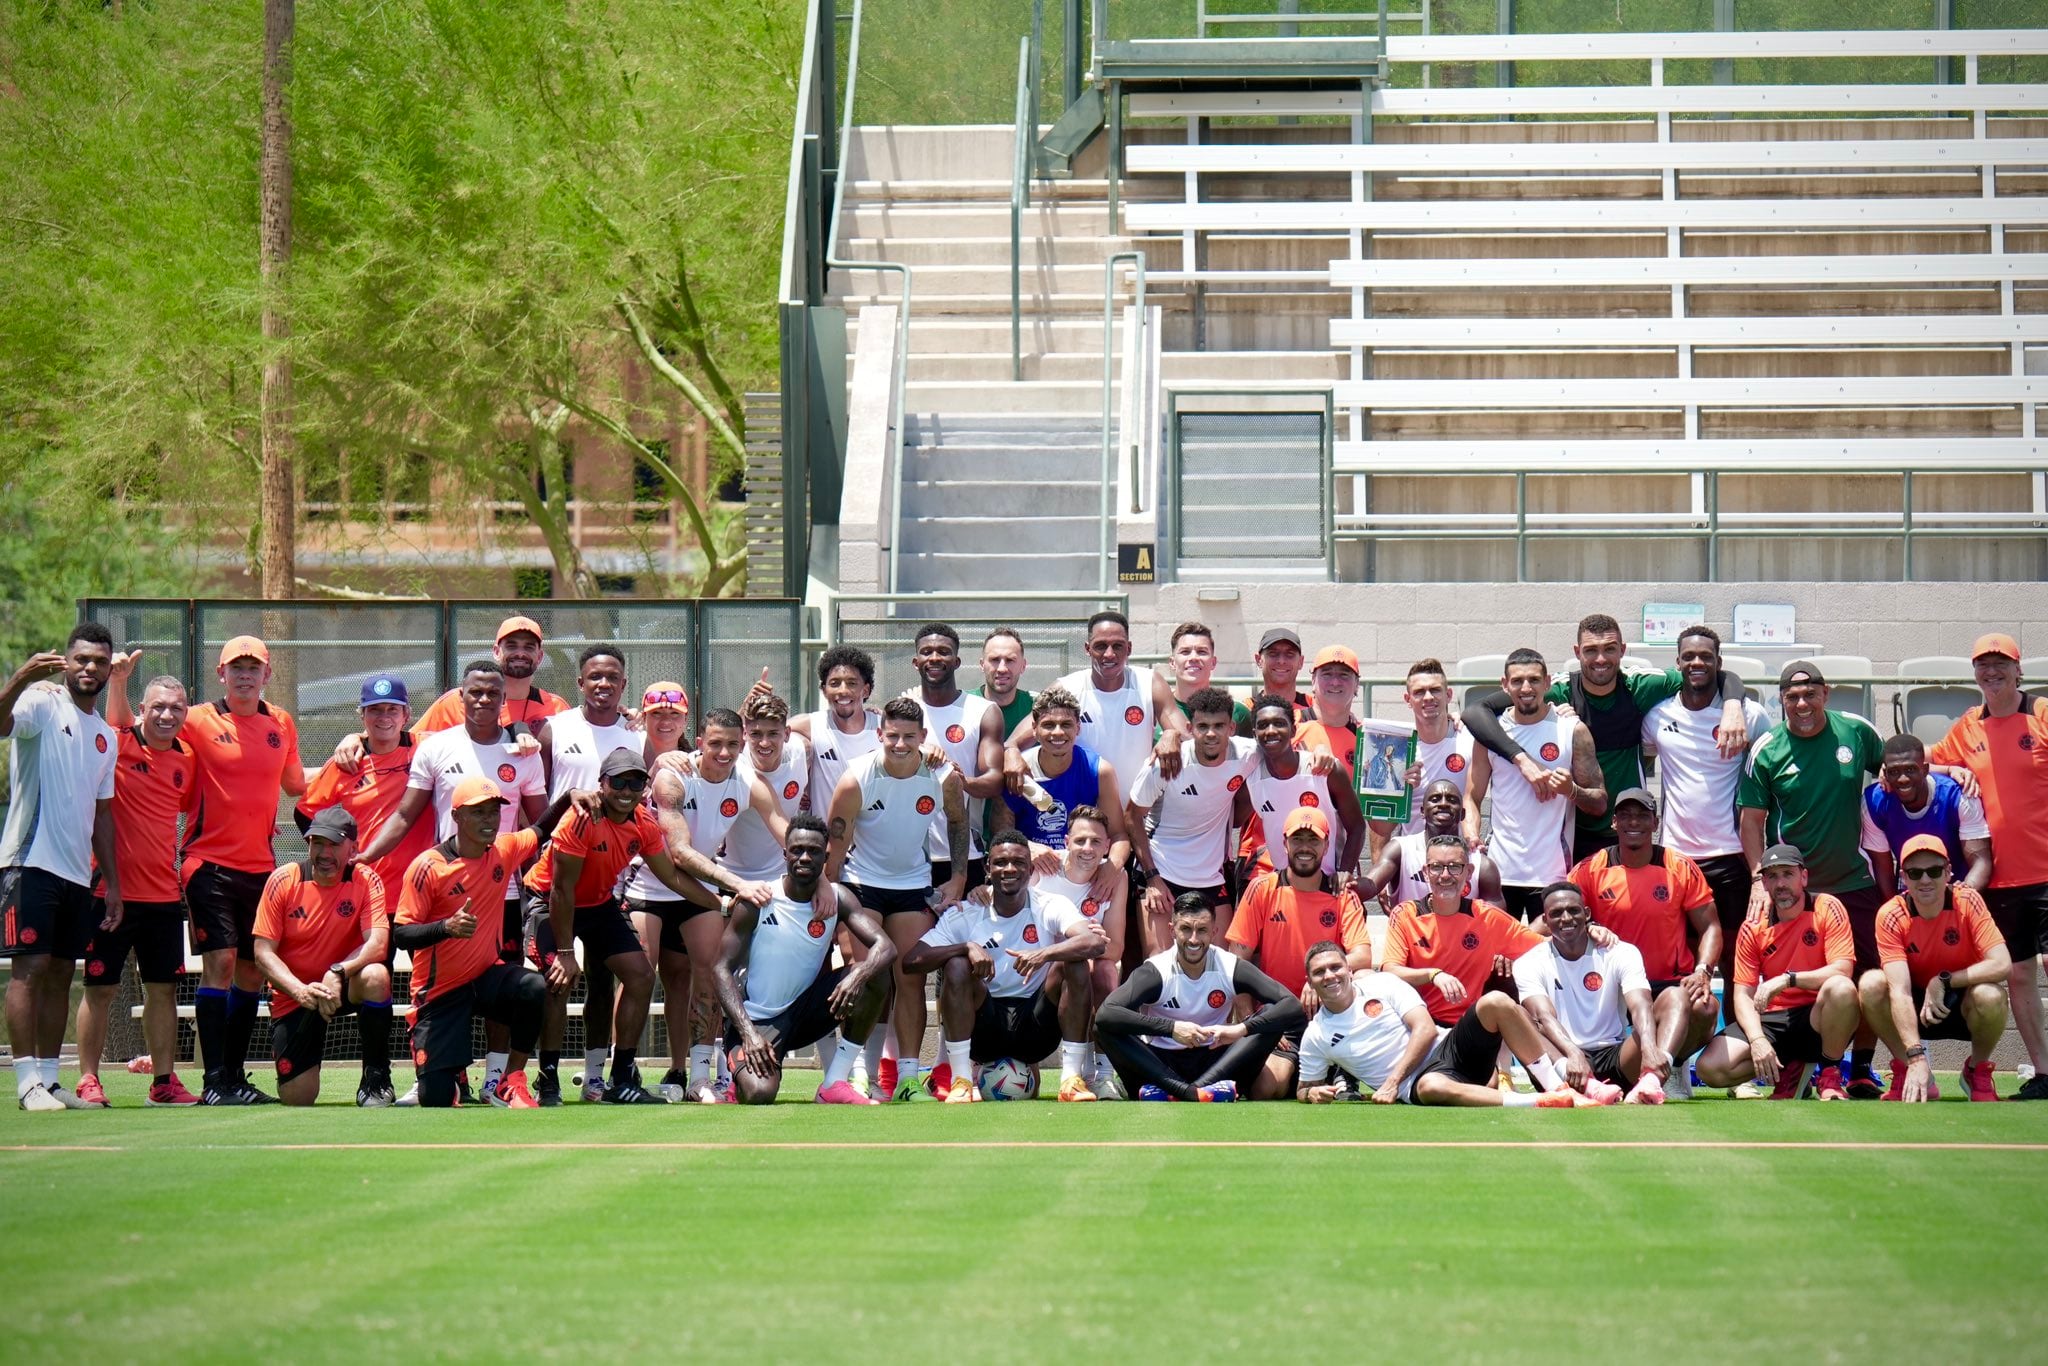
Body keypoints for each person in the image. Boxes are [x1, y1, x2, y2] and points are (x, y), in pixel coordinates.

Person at [355, 659, 547, 1102]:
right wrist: (365, 856)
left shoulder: (524, 752)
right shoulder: (436, 746)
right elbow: (405, 814)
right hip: (446, 893)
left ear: (504, 699)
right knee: (443, 982)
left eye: (492, 693)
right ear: (459, 697)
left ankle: (498, 1081)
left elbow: (540, 825)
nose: (483, 700)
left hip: (504, 891)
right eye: (475, 692)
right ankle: (446, 1070)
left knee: (511, 988)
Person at [1462, 613, 1750, 861]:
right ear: (1577, 652)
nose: (1600, 659)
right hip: (1570, 832)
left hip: (1628, 828)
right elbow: (1476, 711)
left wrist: (1733, 704)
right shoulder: (1559, 691)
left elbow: (1712, 674)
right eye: (1591, 650)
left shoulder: (1641, 686)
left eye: (1609, 649)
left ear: (1622, 650)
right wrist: (1521, 759)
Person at [523, 748, 716, 1104]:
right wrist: (566, 954)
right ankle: (547, 1077)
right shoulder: (581, 818)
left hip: (598, 903)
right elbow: (561, 890)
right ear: (602, 784)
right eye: (618, 782)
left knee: (641, 976)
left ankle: (621, 1077)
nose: (627, 790)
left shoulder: (643, 823)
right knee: (558, 981)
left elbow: (671, 875)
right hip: (550, 900)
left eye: (636, 782)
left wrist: (717, 900)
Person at [1738, 659, 1890, 1095]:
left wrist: (1948, 768)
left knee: (1863, 979)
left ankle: (1859, 1068)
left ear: (1826, 693)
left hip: (1852, 881)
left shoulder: (1856, 731)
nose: (1801, 703)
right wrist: (1758, 880)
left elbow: (1897, 765)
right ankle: (1804, 1063)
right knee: (1801, 983)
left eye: (1810, 694)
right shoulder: (1766, 748)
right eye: (1792, 696)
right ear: (1781, 700)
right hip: (1792, 890)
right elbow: (1752, 822)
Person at [174, 635, 307, 1105]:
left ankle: (233, 1077)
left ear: (267, 675)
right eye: (237, 667)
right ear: (221, 673)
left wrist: (354, 747)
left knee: (252, 973)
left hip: (261, 870)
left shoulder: (282, 723)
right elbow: (141, 734)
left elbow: (298, 787)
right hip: (207, 863)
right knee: (222, 964)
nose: (245, 674)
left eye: (254, 667)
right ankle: (213, 1081)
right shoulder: (194, 720)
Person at [628, 707, 783, 1103]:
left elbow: (786, 831)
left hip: (698, 891)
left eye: (733, 744)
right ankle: (616, 1072)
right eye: (715, 743)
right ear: (699, 743)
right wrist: (736, 885)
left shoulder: (750, 782)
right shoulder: (673, 777)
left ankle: (699, 1077)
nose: (725, 752)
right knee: (639, 975)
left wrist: (820, 881)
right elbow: (678, 851)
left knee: (710, 973)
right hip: (649, 884)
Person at [826, 696, 968, 1102]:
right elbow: (836, 846)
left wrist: (958, 877)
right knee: (865, 976)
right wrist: (834, 907)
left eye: (909, 736)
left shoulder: (942, 777)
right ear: (879, 735)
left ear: (924, 736)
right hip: (861, 885)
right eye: (893, 736)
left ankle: (907, 1079)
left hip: (911, 885)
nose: (901, 744)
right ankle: (857, 1075)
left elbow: (958, 823)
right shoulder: (857, 778)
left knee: (910, 977)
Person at [2, 625, 121, 1112]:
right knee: (28, 971)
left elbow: (103, 814)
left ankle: (50, 1080)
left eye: (98, 661)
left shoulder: (105, 737)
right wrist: (20, 676)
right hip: (29, 864)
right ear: (65, 662)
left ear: (109, 670)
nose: (89, 668)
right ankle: (25, 1079)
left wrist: (112, 881)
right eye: (81, 659)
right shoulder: (40, 701)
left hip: (76, 875)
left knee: (59, 974)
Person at [1927, 631, 2048, 1099]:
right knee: (2018, 976)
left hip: (2045, 874)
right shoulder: (1967, 725)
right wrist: (1950, 769)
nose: (1992, 672)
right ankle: (2043, 1073)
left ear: (2019, 670)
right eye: (1983, 665)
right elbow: (1920, 763)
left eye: (2001, 664)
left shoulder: (2039, 715)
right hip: (1999, 880)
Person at [74, 671, 200, 1108]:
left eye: (176, 708)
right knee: (100, 988)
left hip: (164, 897)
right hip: (109, 894)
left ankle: (164, 1084)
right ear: (142, 710)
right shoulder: (117, 743)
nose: (167, 714)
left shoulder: (187, 760)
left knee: (162, 990)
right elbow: (113, 720)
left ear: (186, 713)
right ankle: (88, 1080)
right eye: (158, 707)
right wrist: (119, 680)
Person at [904, 831, 1106, 1102]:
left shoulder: (1050, 905)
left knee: (1075, 962)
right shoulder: (966, 914)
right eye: (1000, 863)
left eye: (1019, 863)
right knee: (956, 965)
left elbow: (1094, 942)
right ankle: (961, 1081)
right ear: (987, 868)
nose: (1009, 869)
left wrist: (1044, 954)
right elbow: (911, 962)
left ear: (1030, 869)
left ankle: (1071, 1079)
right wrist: (965, 948)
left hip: (1037, 1027)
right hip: (984, 1028)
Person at [391, 777, 555, 1108]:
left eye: (493, 812)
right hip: (440, 992)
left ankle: (509, 1082)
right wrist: (446, 928)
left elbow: (542, 827)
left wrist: (574, 796)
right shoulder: (428, 867)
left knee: (534, 987)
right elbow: (401, 933)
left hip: (484, 977)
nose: (489, 821)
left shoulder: (503, 850)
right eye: (478, 813)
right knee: (435, 1098)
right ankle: (453, 1078)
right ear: (457, 817)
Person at [714, 814, 895, 1105]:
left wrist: (856, 978)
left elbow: (885, 947)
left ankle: (834, 1081)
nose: (804, 857)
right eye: (797, 850)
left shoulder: (838, 898)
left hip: (804, 1013)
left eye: (813, 851)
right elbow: (721, 969)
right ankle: (739, 1073)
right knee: (759, 1093)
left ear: (826, 856)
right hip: (757, 1022)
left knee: (875, 972)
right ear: (785, 853)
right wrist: (748, 1032)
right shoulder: (758, 899)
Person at [1640, 625, 1770, 1025]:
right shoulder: (1657, 717)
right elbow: (1645, 760)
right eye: (1689, 656)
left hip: (1731, 857)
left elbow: (1768, 769)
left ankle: (1734, 1048)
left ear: (1719, 663)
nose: (1697, 663)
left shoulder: (1750, 715)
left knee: (1735, 960)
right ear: (1678, 662)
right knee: (1683, 958)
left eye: (1706, 657)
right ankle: (1679, 1055)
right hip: (1677, 857)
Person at [1567, 789, 1722, 1098]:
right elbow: (1559, 914)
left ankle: (1670, 1068)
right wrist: (1589, 927)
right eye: (1625, 815)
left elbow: (1712, 927)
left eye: (1641, 815)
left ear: (1656, 822)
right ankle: (1607, 1072)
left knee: (1705, 1007)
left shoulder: (1679, 866)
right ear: (1614, 823)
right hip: (1611, 984)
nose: (1633, 822)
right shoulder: (1591, 869)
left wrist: (1703, 970)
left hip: (1667, 982)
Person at [1094, 892, 1304, 1102]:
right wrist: (1172, 1029)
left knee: (1270, 1018)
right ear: (1172, 930)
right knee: (1104, 1028)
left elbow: (1292, 1006)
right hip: (1160, 1066)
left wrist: (1241, 1029)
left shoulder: (1230, 966)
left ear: (1214, 932)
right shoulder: (1155, 970)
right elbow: (1106, 1014)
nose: (1193, 939)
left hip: (1218, 1063)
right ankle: (1192, 1092)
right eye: (1186, 929)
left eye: (1202, 930)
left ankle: (1185, 1091)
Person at [249, 810, 395, 1107]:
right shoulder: (284, 880)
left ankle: (376, 1078)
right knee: (297, 1098)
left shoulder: (366, 879)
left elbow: (378, 944)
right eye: (317, 843)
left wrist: (338, 971)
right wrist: (299, 990)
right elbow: (262, 953)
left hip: (343, 987)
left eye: (333, 844)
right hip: (296, 996)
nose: (323, 853)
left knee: (376, 976)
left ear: (353, 848)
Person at [1225, 808, 1374, 1099]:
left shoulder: (1342, 895)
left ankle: (1341, 1066)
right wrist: (1254, 1023)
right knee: (1267, 1088)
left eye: (1313, 839)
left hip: (1329, 1015)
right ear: (1284, 843)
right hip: (1280, 1017)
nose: (1305, 847)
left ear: (1326, 845)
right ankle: (1322, 1071)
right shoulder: (1262, 888)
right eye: (1298, 839)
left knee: (1367, 977)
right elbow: (1235, 963)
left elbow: (1363, 956)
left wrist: (1319, 977)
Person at [1694, 844, 1860, 1101]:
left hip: (1816, 1016)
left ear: (1803, 877)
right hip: (1774, 1019)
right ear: (1764, 883)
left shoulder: (1827, 907)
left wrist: (1788, 980)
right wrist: (1758, 1039)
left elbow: (1843, 969)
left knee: (1842, 988)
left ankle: (1829, 1071)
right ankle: (1791, 1070)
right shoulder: (1752, 926)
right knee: (1710, 1069)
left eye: (1787, 874)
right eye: (1772, 876)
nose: (1780, 883)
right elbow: (1743, 995)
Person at [1857, 834, 2010, 1103]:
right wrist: (1916, 1055)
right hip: (1913, 1009)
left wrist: (1944, 981)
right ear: (1904, 877)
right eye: (1915, 873)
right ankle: (1911, 1069)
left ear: (1948, 872)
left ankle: (1976, 1069)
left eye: (1934, 871)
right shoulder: (1891, 914)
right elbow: (1900, 992)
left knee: (1992, 995)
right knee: (1871, 984)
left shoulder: (1968, 902)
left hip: (1961, 1002)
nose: (1925, 880)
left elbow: (2002, 964)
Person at [1461, 649, 1606, 921]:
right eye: (1517, 681)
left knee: (1550, 957)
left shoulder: (1571, 730)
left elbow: (1599, 803)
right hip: (1500, 872)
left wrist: (1571, 790)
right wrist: (1472, 835)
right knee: (1500, 959)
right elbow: (1471, 797)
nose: (1525, 688)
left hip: (1552, 874)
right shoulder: (1490, 734)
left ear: (1547, 683)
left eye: (1534, 680)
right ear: (1504, 685)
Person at [1005, 610, 1187, 807]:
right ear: (1087, 649)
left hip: (1136, 815)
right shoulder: (1067, 687)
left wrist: (1171, 734)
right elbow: (1013, 742)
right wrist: (1011, 754)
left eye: (1117, 646)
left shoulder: (1149, 682)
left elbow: (1185, 736)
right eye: (1100, 646)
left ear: (1129, 648)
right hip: (1083, 823)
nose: (1109, 654)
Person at [1127, 686, 1256, 948]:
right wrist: (1152, 877)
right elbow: (1131, 817)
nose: (1210, 733)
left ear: (1231, 727)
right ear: (1190, 727)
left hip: (1212, 875)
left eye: (1219, 725)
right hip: (1162, 871)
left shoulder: (1248, 755)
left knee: (1218, 964)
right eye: (1203, 726)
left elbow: (1289, 754)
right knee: (1159, 963)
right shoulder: (1167, 763)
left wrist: (1320, 749)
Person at [295, 673, 434, 909]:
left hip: (423, 887)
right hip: (368, 888)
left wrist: (518, 730)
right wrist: (332, 852)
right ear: (363, 716)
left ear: (406, 716)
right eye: (375, 710)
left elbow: (476, 738)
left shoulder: (429, 748)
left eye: (393, 709)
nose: (384, 717)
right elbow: (305, 812)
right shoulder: (348, 762)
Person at [1514, 882, 1660, 1105]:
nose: (1566, 918)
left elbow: (1640, 1004)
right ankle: (1591, 1088)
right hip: (1562, 1061)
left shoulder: (1620, 951)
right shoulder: (1528, 962)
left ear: (1587, 913)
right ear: (1545, 920)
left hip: (1615, 1054)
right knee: (1518, 1016)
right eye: (1556, 913)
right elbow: (1543, 1017)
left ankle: (1652, 1078)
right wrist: (1574, 1054)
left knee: (1674, 999)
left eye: (1573, 910)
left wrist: (1649, 1049)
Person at [1380, 834, 1546, 1026]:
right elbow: (1390, 971)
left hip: (1471, 1025)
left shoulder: (1487, 917)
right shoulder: (1405, 914)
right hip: (1419, 1023)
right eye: (1436, 867)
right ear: (1425, 872)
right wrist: (1433, 975)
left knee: (1504, 1005)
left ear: (1468, 872)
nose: (1445, 875)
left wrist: (1587, 931)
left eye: (1454, 867)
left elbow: (1543, 949)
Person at [1028, 805, 1127, 1097]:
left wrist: (1087, 947)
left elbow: (1117, 948)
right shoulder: (1043, 867)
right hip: (1035, 976)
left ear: (1107, 846)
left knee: (1106, 970)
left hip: (1079, 971)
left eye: (1096, 841)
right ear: (1067, 840)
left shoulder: (1116, 878)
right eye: (1080, 840)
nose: (1087, 848)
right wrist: (1075, 943)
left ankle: (1104, 1074)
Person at [908, 624, 1004, 890]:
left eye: (943, 652)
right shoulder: (904, 712)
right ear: (916, 662)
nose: (935, 658)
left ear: (957, 661)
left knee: (964, 932)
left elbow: (995, 780)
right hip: (910, 854)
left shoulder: (982, 711)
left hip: (963, 855)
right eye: (927, 652)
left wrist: (958, 781)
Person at [1232, 693, 1365, 882]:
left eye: (1279, 723)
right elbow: (1234, 820)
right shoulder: (1252, 779)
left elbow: (1357, 827)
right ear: (1254, 734)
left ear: (1293, 730)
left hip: (1326, 881)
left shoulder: (1325, 770)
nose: (1271, 731)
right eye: (1263, 725)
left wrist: (1344, 871)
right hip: (1283, 883)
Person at [1294, 945, 1439, 1104]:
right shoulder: (1315, 1034)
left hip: (1446, 1049)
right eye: (1319, 972)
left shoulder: (1382, 983)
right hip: (1418, 1084)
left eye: (1335, 967)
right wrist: (1310, 1093)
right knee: (1433, 1087)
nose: (1329, 975)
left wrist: (1392, 1082)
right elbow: (1303, 1089)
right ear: (1310, 983)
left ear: (1349, 971)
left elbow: (1426, 1029)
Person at [995, 686, 1129, 856]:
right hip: (1031, 868)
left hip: (1082, 866)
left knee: (1119, 878)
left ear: (1078, 728)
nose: (1058, 732)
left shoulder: (1098, 770)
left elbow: (1118, 835)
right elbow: (1000, 833)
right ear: (1034, 729)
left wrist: (1112, 868)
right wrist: (1029, 847)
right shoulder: (1017, 770)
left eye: (1066, 724)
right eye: (1049, 725)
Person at [1861, 732, 1992, 902]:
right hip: (1911, 894)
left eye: (1910, 769)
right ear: (1884, 773)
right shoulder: (1874, 803)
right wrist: (1899, 908)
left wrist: (1959, 901)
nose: (1902, 779)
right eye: (1894, 771)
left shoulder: (1959, 796)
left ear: (1925, 769)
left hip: (1958, 891)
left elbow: (1981, 862)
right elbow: (1882, 870)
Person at [408, 615, 568, 735]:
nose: (520, 653)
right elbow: (415, 743)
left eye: (528, 647)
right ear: (496, 652)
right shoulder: (455, 702)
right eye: (511, 646)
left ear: (539, 657)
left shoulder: (556, 708)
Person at [1359, 779, 1502, 911]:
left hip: (1459, 937)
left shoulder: (1481, 864)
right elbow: (1370, 885)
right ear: (1422, 811)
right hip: (1411, 937)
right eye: (1435, 799)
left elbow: (1497, 921)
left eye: (1452, 800)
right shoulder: (1400, 850)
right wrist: (1346, 884)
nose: (1443, 803)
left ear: (1462, 814)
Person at [1383, 659, 1474, 842]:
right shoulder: (1399, 750)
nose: (1428, 697)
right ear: (1408, 700)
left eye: (1435, 690)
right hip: (1414, 863)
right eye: (1419, 692)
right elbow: (1381, 828)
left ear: (1448, 694)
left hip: (1458, 861)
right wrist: (1401, 790)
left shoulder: (1470, 739)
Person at [777, 645, 880, 803]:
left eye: (851, 683)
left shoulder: (884, 727)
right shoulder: (813, 724)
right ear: (824, 690)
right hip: (825, 827)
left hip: (873, 827)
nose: (842, 691)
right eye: (835, 683)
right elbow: (758, 732)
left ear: (865, 690)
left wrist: (930, 748)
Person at [535, 645, 636, 800]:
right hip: (566, 824)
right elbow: (535, 795)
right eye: (595, 676)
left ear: (622, 685)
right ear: (581, 684)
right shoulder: (553, 729)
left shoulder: (638, 735)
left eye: (613, 677)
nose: (604, 683)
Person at [1165, 622, 1253, 736]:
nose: (1194, 657)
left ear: (1213, 662)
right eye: (1185, 652)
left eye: (1202, 652)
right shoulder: (1155, 711)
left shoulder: (1237, 713)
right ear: (1172, 662)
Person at [1295, 646, 1365, 783]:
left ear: (1356, 684)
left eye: (1344, 675)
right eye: (1327, 674)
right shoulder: (1288, 726)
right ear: (1313, 681)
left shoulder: (1366, 739)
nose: (1335, 682)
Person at [977, 628, 1034, 740]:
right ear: (982, 664)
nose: (1002, 668)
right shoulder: (961, 705)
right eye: (994, 659)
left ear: (1023, 666)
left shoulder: (1037, 708)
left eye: (1010, 660)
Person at [1251, 627, 1314, 719]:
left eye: (1290, 654)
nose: (1281, 661)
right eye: (1273, 653)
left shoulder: (1316, 709)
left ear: (1300, 662)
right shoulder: (1245, 711)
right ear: (1259, 660)